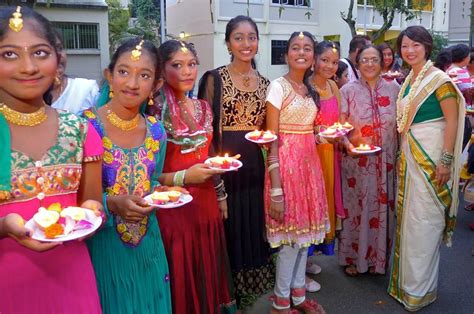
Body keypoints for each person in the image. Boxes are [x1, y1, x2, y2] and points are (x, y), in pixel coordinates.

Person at [0, 6, 103, 312]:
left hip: (73, 278)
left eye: (40, 53)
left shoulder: (81, 130)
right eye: (9, 54)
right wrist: (4, 226)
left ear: (58, 60)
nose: (28, 66)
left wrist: (92, 213)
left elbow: (93, 204)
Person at [83, 38, 171, 313]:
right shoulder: (86, 127)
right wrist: (112, 204)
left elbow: (152, 180)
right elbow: (75, 199)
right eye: (123, 71)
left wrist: (168, 192)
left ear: (155, 85)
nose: (132, 83)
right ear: (109, 75)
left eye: (144, 75)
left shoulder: (157, 131)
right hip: (105, 248)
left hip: (150, 247)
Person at [153, 40, 237, 314]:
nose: (187, 72)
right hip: (174, 207)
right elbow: (149, 176)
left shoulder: (203, 106)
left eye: (191, 65)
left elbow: (208, 154)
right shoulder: (153, 112)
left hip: (207, 201)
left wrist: (221, 193)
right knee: (181, 266)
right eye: (177, 65)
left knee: (207, 261)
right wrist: (184, 176)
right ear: (162, 70)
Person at [198, 15, 274, 309]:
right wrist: (215, 173)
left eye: (251, 37)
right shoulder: (214, 78)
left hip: (254, 166)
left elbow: (268, 129)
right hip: (225, 167)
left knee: (252, 223)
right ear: (227, 42)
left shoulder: (267, 84)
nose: (246, 43)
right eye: (238, 37)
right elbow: (205, 130)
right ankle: (228, 293)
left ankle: (251, 290)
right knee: (228, 225)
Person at [388, 26, 465, 311]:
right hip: (410, 160)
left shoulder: (439, 80)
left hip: (431, 161)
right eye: (405, 46)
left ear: (427, 46)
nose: (409, 50)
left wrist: (446, 162)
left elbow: (453, 121)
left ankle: (420, 290)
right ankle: (407, 287)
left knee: (425, 224)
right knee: (411, 223)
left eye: (415, 45)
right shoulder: (410, 79)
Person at [265, 31, 328, 314]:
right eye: (295, 48)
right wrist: (276, 188)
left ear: (313, 56)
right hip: (286, 171)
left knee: (304, 240)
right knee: (291, 241)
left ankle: (298, 297)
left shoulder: (309, 88)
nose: (301, 52)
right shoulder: (278, 87)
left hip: (309, 169)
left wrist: (326, 136)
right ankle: (280, 302)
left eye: (307, 48)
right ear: (286, 54)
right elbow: (272, 138)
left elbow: (309, 133)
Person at [337, 45, 400, 276]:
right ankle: (355, 258)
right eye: (365, 59)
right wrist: (347, 145)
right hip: (357, 164)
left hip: (387, 162)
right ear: (357, 63)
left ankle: (378, 260)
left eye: (375, 59)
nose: (370, 64)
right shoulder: (347, 91)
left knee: (384, 210)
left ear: (382, 61)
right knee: (359, 210)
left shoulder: (394, 89)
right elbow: (340, 127)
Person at [306, 40, 345, 292]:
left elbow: (340, 118)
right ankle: (299, 268)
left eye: (334, 62)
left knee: (325, 206)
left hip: (331, 153)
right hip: (311, 153)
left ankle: (308, 260)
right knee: (308, 206)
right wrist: (320, 132)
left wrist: (342, 133)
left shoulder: (333, 85)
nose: (330, 66)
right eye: (325, 60)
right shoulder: (304, 87)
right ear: (314, 61)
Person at [50, 31, 99, 113]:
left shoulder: (86, 90)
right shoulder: (23, 101)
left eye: (59, 48)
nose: (58, 56)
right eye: (42, 52)